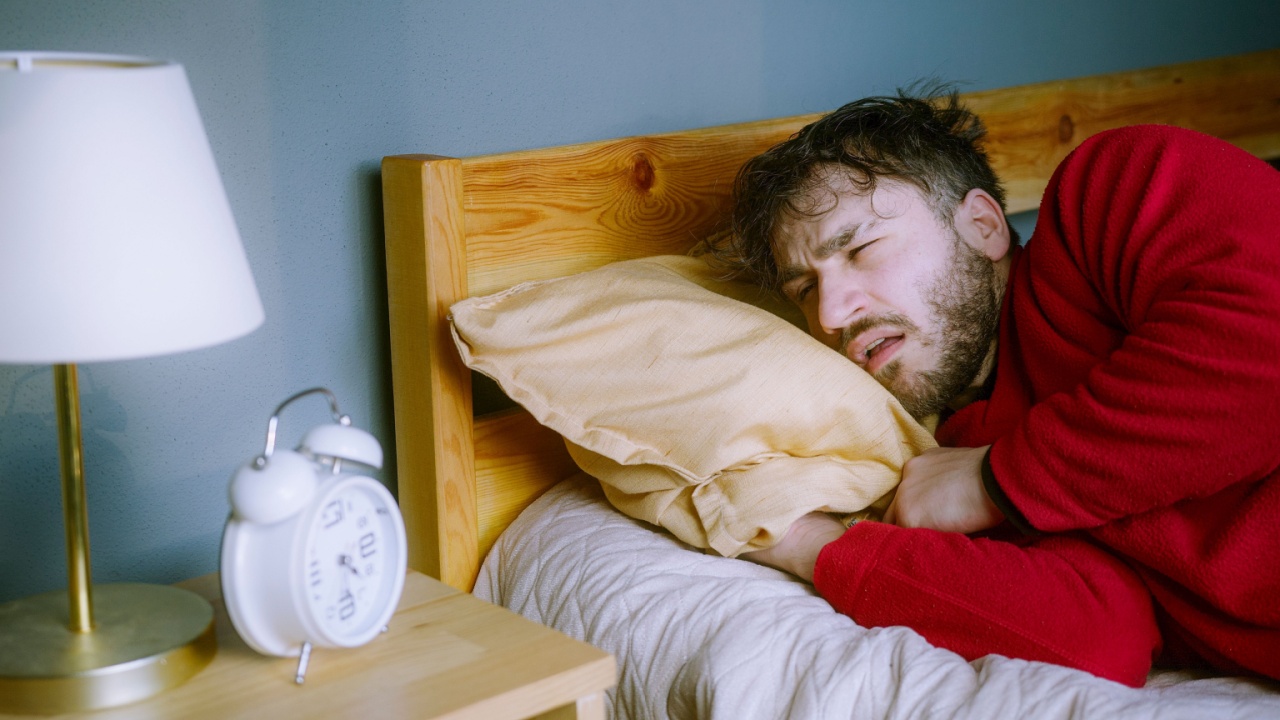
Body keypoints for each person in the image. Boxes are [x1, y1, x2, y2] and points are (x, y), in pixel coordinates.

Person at [713, 88, 1280, 687]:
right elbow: (1099, 639)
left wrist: (995, 481)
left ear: (982, 226)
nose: (830, 314)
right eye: (805, 290)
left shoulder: (1111, 191)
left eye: (859, 248)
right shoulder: (944, 453)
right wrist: (810, 542)